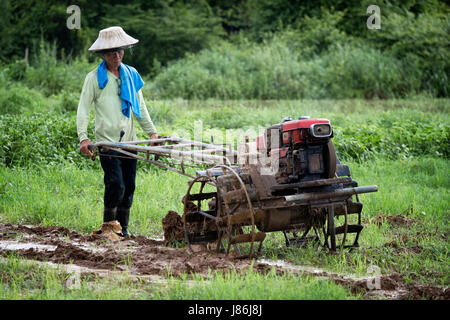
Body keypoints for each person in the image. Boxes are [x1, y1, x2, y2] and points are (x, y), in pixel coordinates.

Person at [77, 26, 158, 237]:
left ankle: (124, 229)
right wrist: (83, 138)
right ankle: (108, 227)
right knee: (116, 184)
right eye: (112, 52)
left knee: (129, 186)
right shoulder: (94, 78)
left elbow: (140, 108)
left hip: (130, 142)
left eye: (120, 50)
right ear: (103, 55)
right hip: (107, 143)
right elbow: (83, 109)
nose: (117, 55)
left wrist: (152, 133)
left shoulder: (131, 74)